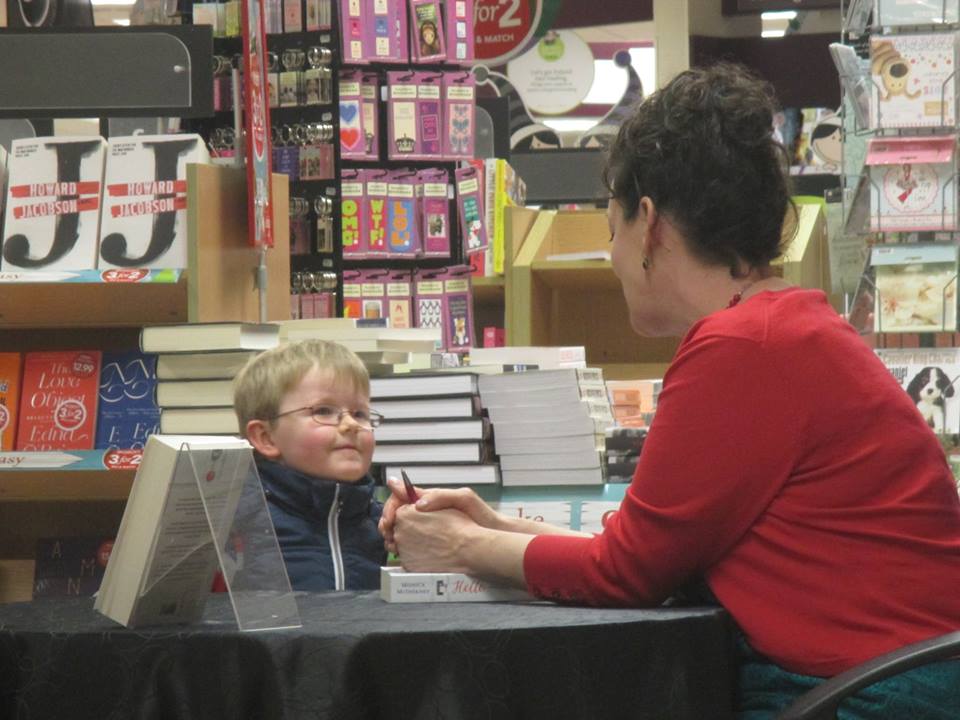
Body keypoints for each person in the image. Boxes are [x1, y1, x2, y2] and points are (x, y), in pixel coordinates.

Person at [380, 63, 960, 718]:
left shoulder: (742, 348)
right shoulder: (790, 329)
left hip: (866, 696)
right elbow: (656, 546)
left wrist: (461, 548)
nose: (611, 256)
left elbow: (625, 573)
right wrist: (489, 523)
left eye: (611, 229)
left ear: (649, 221)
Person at [234, 339, 386, 591]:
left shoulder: (381, 524)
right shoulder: (236, 523)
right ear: (266, 437)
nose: (351, 424)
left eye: (360, 414)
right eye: (324, 411)